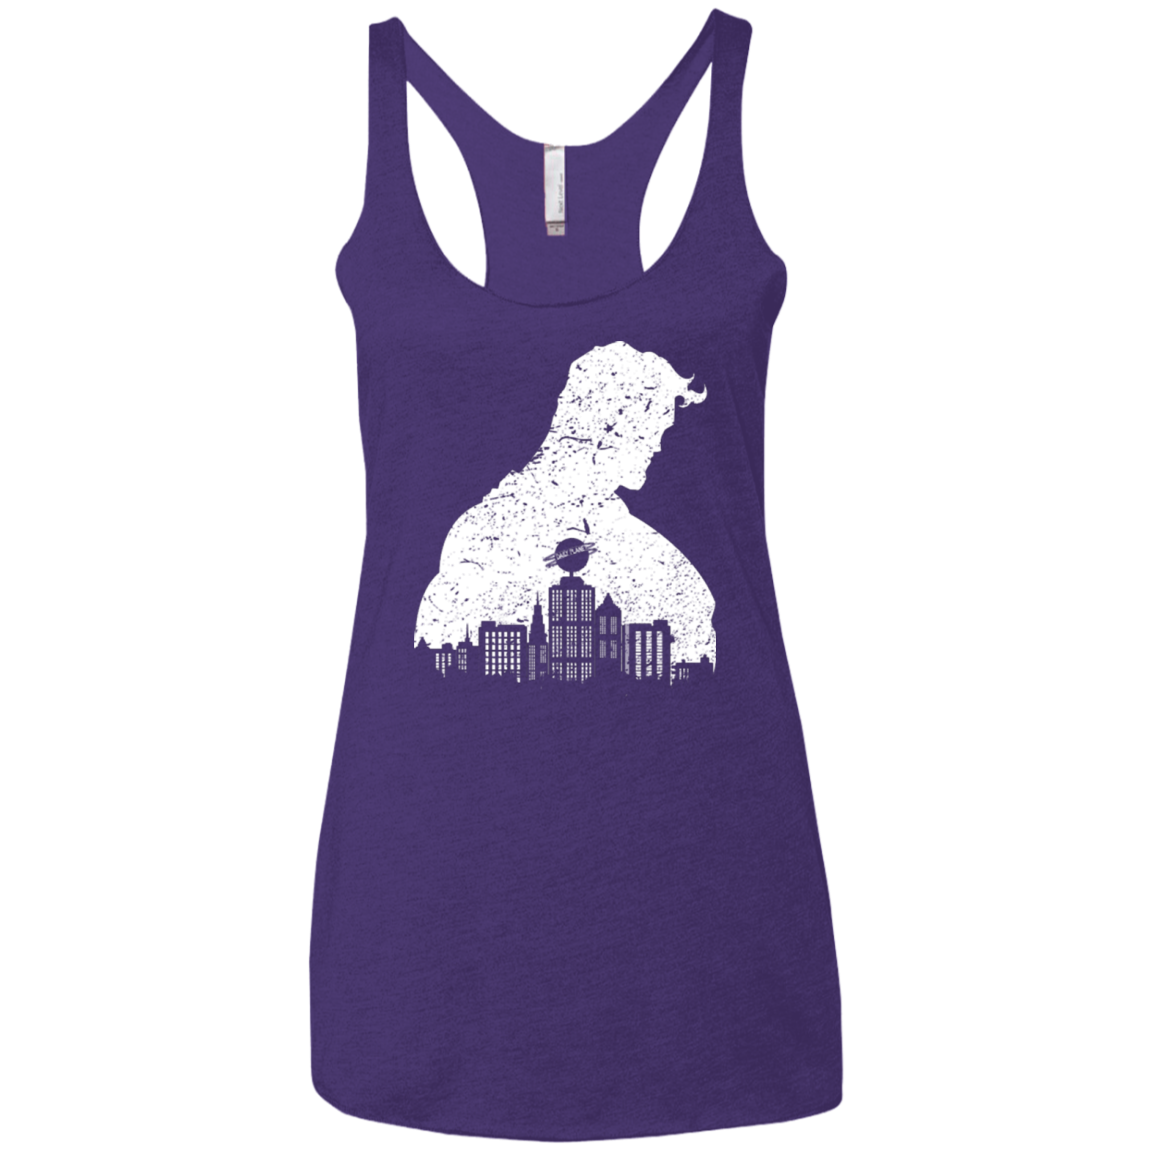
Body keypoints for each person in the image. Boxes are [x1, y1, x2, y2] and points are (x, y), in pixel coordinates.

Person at [415, 341, 717, 671]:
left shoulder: (629, 536)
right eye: (650, 432)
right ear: (608, 427)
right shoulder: (486, 532)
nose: (656, 447)